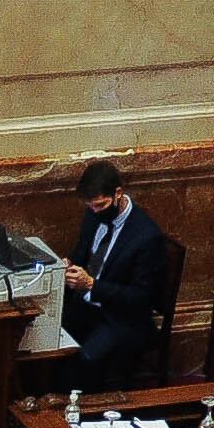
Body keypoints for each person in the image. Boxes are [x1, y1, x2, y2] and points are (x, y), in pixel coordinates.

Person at [61, 161, 169, 388]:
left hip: (121, 319)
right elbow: (83, 252)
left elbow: (141, 298)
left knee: (83, 360)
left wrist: (92, 284)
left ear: (118, 193)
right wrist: (69, 264)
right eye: (91, 206)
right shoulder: (94, 214)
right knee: (45, 343)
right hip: (85, 306)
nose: (95, 211)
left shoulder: (146, 237)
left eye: (100, 205)